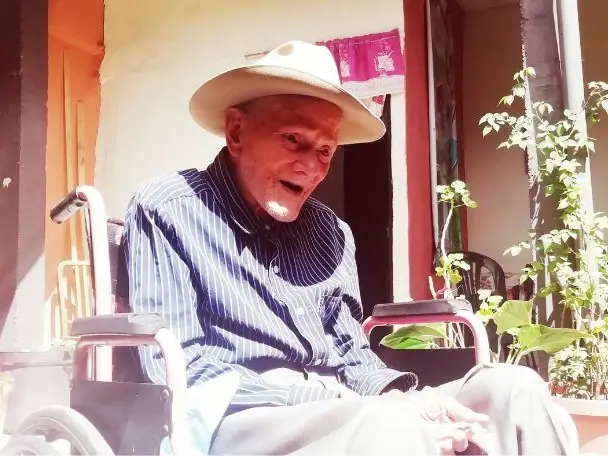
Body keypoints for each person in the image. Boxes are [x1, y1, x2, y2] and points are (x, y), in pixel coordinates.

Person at [122, 41, 579, 455]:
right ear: (237, 131)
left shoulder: (330, 232)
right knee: (391, 429)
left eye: (325, 150)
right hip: (239, 418)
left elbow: (351, 353)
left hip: (347, 408)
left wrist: (400, 399)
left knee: (513, 391)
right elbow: (176, 365)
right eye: (294, 139)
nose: (311, 166)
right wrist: (327, 399)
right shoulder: (170, 207)